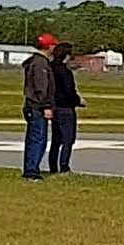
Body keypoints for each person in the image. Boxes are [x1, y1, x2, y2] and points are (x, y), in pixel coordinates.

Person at [21, 33, 58, 180]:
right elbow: (41, 87)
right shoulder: (40, 64)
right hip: (37, 106)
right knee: (37, 139)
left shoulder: (35, 61)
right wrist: (46, 106)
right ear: (49, 47)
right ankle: (31, 172)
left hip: (33, 105)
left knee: (35, 139)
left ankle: (31, 169)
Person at [48, 42, 86, 174]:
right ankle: (64, 166)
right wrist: (78, 101)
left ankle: (53, 166)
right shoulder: (65, 72)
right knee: (68, 139)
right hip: (65, 107)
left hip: (53, 107)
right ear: (66, 55)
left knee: (56, 139)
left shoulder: (50, 69)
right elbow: (69, 91)